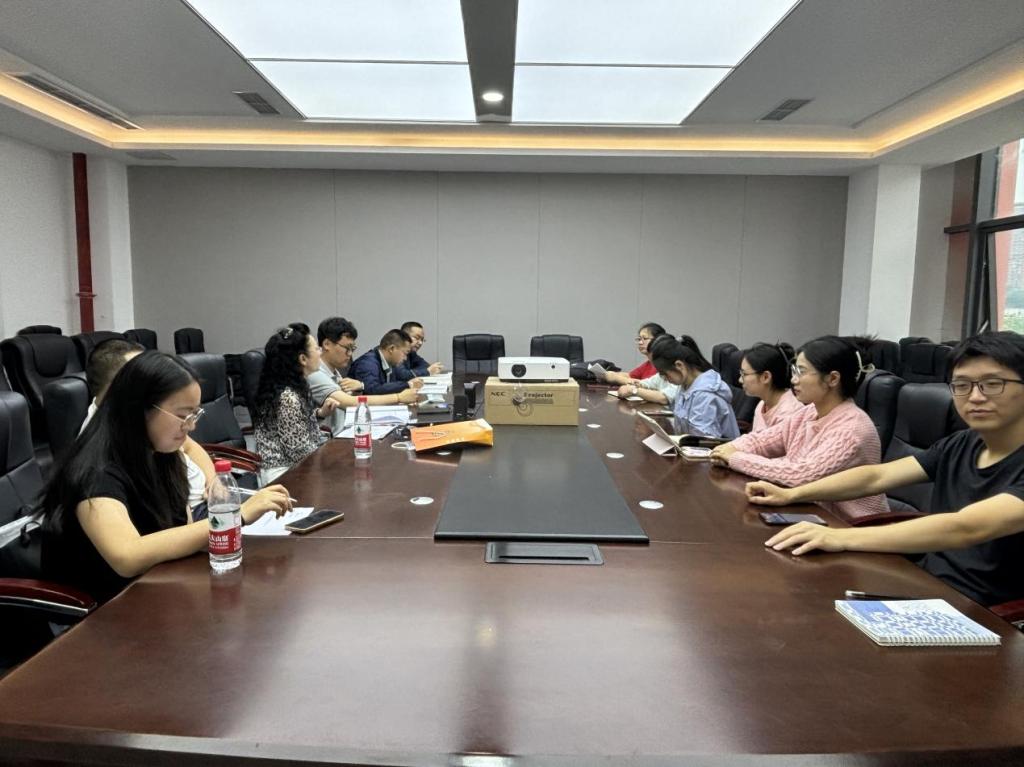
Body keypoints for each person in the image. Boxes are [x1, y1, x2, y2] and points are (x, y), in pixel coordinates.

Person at [754, 331, 1024, 607]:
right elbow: (876, 476)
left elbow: (966, 528)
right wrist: (791, 494)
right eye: (962, 385)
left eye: (993, 384)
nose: (975, 397)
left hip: (987, 612)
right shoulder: (963, 443)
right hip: (927, 583)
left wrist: (840, 537)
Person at [39, 351, 291, 603]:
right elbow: (126, 556)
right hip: (107, 609)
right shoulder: (95, 472)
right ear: (139, 409)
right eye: (183, 416)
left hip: (159, 591)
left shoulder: (161, 453)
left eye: (195, 415)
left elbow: (183, 526)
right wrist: (235, 517)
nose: (191, 426)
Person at [710, 336, 887, 521]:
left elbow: (800, 475)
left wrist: (735, 458)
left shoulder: (851, 429)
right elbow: (765, 439)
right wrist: (731, 448)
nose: (793, 380)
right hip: (809, 514)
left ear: (833, 378)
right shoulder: (810, 411)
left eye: (801, 372)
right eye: (794, 371)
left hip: (849, 526)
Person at [83, 338, 215, 513]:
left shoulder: (159, 444)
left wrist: (214, 482)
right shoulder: (101, 462)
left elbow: (189, 446)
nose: (190, 426)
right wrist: (235, 517)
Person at [253, 323, 339, 484]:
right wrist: (329, 459)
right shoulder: (288, 398)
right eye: (316, 348)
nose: (320, 352)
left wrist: (320, 413)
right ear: (303, 359)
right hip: (283, 473)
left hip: (300, 465)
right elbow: (298, 451)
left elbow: (295, 425)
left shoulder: (295, 385)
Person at [650, 335, 739, 439]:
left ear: (679, 365)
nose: (665, 379)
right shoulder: (685, 385)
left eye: (665, 374)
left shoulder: (705, 394)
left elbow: (703, 440)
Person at [737, 342, 804, 432]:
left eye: (744, 374)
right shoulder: (762, 405)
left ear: (766, 377)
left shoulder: (791, 412)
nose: (740, 380)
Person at [348, 329, 425, 395]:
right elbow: (372, 390)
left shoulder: (390, 362)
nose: (405, 358)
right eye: (405, 353)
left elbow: (390, 386)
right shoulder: (368, 363)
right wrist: (408, 385)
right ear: (391, 349)